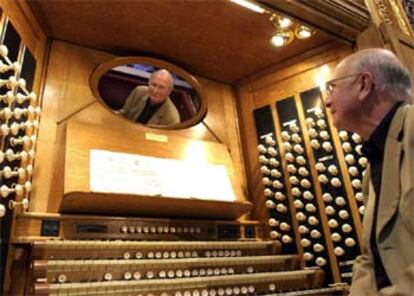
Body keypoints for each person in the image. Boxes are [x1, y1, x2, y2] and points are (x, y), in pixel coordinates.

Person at [325, 48, 413, 296]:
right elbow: (369, 257)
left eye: (332, 87)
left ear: (364, 84)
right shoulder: (373, 164)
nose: (327, 100)